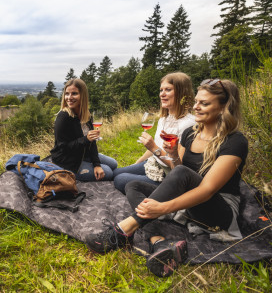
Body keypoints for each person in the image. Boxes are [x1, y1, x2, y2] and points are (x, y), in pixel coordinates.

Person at [86, 79, 248, 277]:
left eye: (204, 103)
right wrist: (172, 156)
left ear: (224, 108)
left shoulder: (235, 141)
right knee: (133, 185)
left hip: (219, 211)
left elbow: (207, 189)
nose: (196, 107)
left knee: (178, 177)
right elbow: (179, 170)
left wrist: (163, 207)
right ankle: (159, 242)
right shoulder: (190, 133)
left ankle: (122, 231)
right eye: (196, 101)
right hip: (190, 204)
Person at [113, 72, 196, 194]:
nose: (162, 94)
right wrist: (137, 163)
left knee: (119, 179)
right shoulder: (164, 118)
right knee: (116, 173)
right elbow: (154, 147)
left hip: (166, 174)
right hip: (154, 163)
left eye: (168, 90)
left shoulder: (188, 124)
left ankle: (161, 193)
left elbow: (177, 167)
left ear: (181, 93)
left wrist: (154, 147)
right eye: (161, 90)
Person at [50, 78, 117, 181]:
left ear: (83, 95)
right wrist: (86, 139)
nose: (69, 97)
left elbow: (92, 142)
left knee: (113, 164)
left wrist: (97, 164)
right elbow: (62, 147)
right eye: (67, 94)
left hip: (83, 154)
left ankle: (120, 176)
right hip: (67, 161)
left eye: (74, 93)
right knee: (108, 172)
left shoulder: (87, 115)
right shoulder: (63, 117)